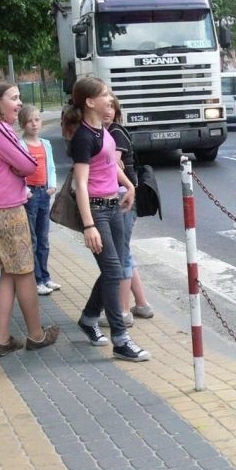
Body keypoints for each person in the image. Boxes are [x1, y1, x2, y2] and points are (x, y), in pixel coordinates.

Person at [0, 79, 60, 357]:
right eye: (14, 98)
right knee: (25, 273)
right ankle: (36, 335)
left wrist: (13, 168)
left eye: (19, 98)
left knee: (8, 272)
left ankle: (2, 339)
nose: (19, 103)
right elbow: (29, 164)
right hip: (7, 210)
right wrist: (17, 169)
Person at [62, 77, 150, 362]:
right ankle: (121, 340)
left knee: (113, 269)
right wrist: (88, 225)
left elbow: (111, 164)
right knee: (113, 270)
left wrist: (130, 185)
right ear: (89, 102)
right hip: (98, 211)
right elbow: (82, 183)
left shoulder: (104, 130)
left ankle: (89, 318)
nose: (110, 100)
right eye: (104, 95)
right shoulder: (84, 138)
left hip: (115, 206)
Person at [97, 94, 153, 328]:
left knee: (120, 255)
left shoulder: (116, 132)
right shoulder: (104, 132)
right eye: (105, 106)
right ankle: (142, 305)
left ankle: (121, 312)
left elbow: (111, 163)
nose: (109, 111)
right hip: (122, 194)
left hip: (122, 196)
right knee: (125, 252)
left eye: (113, 107)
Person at [18, 104, 61, 296]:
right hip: (31, 194)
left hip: (45, 192)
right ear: (23, 124)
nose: (34, 124)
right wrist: (25, 190)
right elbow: (18, 172)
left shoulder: (45, 144)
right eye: (29, 121)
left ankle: (45, 276)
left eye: (37, 119)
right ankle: (36, 279)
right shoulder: (21, 145)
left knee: (43, 238)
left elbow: (50, 166)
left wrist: (52, 185)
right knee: (32, 238)